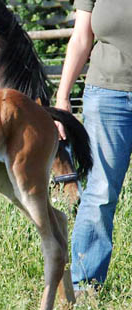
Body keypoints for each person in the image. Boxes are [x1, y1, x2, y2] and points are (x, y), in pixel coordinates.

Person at [55, 0, 132, 292]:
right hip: (107, 99)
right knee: (100, 192)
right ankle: (85, 287)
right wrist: (62, 99)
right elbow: (80, 39)